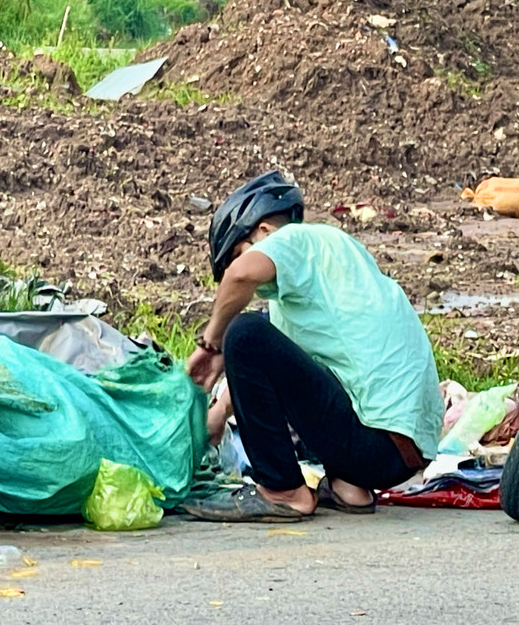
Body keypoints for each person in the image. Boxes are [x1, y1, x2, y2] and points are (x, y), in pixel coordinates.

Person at [181, 172, 442, 522]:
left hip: (375, 442)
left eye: (239, 252)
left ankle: (282, 491)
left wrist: (213, 339)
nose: (251, 290)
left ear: (263, 232)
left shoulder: (297, 239)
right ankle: (350, 488)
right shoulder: (330, 267)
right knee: (252, 335)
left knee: (242, 331)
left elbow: (241, 276)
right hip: (400, 456)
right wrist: (216, 417)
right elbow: (278, 372)